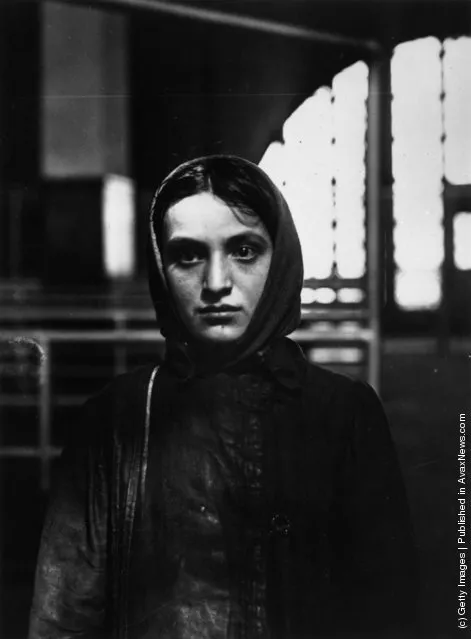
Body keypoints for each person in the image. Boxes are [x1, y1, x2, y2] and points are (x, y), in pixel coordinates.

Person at [28, 155, 418, 639]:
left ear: (281, 260)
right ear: (160, 267)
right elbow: (63, 619)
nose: (216, 284)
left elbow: (389, 615)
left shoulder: (344, 413)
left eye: (245, 250)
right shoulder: (113, 419)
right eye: (188, 256)